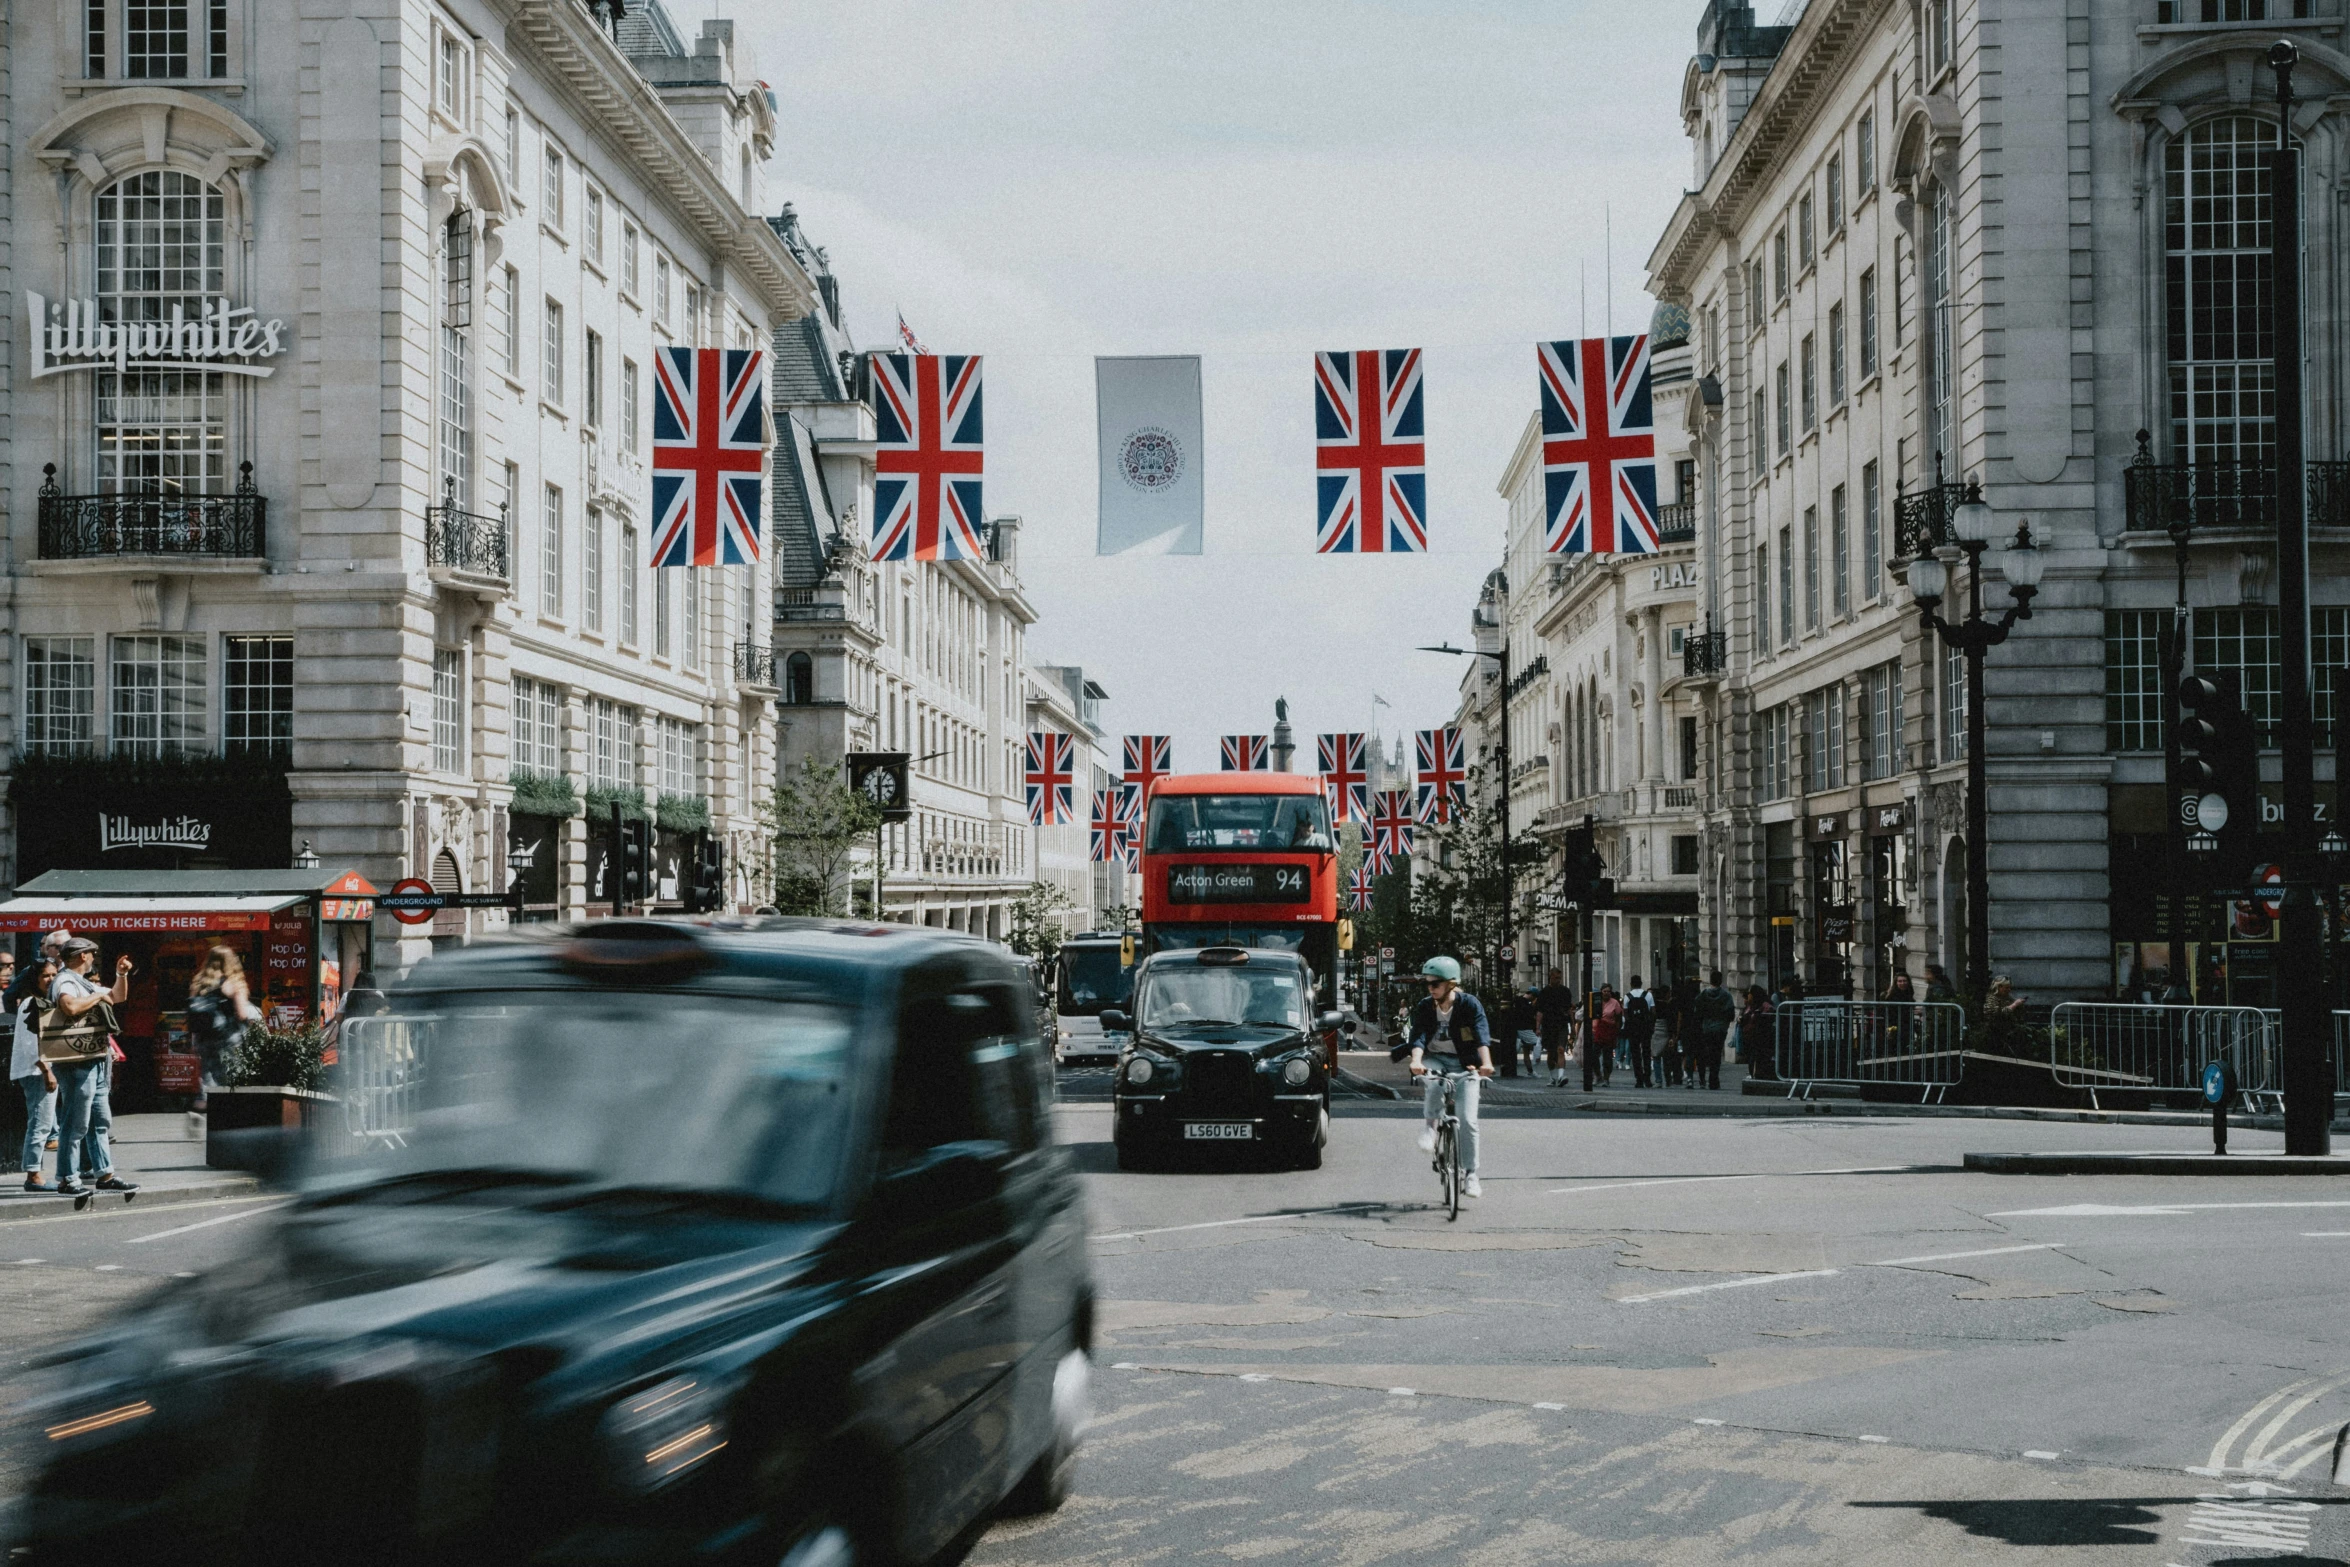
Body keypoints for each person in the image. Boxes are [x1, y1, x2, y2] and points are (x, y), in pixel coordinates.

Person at [45, 939, 137, 1197]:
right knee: (75, 1124)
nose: (94, 959)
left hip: (94, 1059)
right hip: (76, 1062)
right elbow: (70, 1006)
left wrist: (121, 974)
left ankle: (105, 1174)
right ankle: (67, 1178)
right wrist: (97, 995)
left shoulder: (83, 983)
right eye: (92, 955)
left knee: (100, 1122)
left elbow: (118, 996)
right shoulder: (65, 981)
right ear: (83, 956)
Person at [1403, 956, 1494, 1200]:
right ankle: (1431, 1128)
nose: (1430, 988)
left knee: (1469, 1120)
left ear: (1451, 984)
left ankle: (1471, 1175)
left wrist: (1486, 1063)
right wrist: (1416, 1061)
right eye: (1428, 984)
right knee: (1434, 1082)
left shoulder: (1469, 1005)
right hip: (1435, 1060)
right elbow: (1419, 1036)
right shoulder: (1425, 1006)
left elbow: (1481, 1035)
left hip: (1467, 1063)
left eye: (1436, 984)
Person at [184, 946, 263, 1138]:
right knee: (231, 1078)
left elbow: (192, 1013)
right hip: (229, 1038)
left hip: (204, 1038)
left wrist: (193, 1039)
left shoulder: (198, 984)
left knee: (208, 1077)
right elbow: (242, 1014)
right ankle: (228, 1124)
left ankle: (198, 1110)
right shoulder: (233, 983)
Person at [11, 958, 57, 1193]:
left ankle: (34, 1171)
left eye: (53, 975)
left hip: (38, 1069)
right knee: (40, 1124)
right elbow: (33, 1044)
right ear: (35, 979)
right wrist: (47, 1071)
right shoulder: (32, 1003)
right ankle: (33, 1175)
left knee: (43, 1123)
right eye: (46, 976)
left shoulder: (39, 1001)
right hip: (36, 1070)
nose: (51, 979)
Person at [1535, 968, 1576, 1088]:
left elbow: (1569, 1010)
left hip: (1561, 1024)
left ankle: (1561, 1076)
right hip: (1548, 1026)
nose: (1558, 980)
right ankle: (1553, 1077)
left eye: (1559, 978)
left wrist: (1573, 1026)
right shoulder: (1544, 992)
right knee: (1550, 1054)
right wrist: (1537, 1027)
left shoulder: (1565, 991)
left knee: (1561, 1050)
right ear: (1550, 977)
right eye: (1556, 978)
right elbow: (1540, 1012)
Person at [1584, 984, 1623, 1091]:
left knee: (1607, 1056)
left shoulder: (1615, 1003)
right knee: (1593, 1054)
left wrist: (1617, 1030)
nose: (1606, 993)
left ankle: (1606, 1078)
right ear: (1601, 992)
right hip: (1596, 1030)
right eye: (1604, 991)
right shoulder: (1596, 1001)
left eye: (1608, 991)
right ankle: (1598, 1076)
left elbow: (1618, 1017)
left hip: (1609, 1030)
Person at [1622, 976, 1657, 1090]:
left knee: (1635, 1054)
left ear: (1631, 984)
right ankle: (1647, 1078)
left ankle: (1639, 1079)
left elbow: (1626, 1014)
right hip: (1645, 1028)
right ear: (1641, 983)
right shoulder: (1648, 995)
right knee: (1646, 1052)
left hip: (1633, 1029)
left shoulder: (1627, 997)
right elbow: (1653, 1012)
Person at [1740, 985, 1779, 1082]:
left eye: (1750, 993)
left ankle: (1758, 1074)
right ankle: (1754, 1073)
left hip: (1761, 1035)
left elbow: (1767, 1018)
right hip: (1752, 1035)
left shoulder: (1765, 1005)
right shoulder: (1752, 1005)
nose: (1748, 996)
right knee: (1752, 1056)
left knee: (1758, 1055)